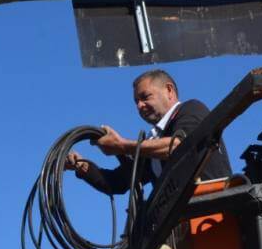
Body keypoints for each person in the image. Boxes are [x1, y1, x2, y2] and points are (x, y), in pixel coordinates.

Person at [64, 69, 231, 195]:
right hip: (177, 227)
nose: (139, 106)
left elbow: (179, 147)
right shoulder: (152, 144)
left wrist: (122, 146)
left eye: (145, 97)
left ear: (169, 90)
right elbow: (118, 182)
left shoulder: (191, 109)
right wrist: (81, 166)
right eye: (136, 101)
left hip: (212, 215)